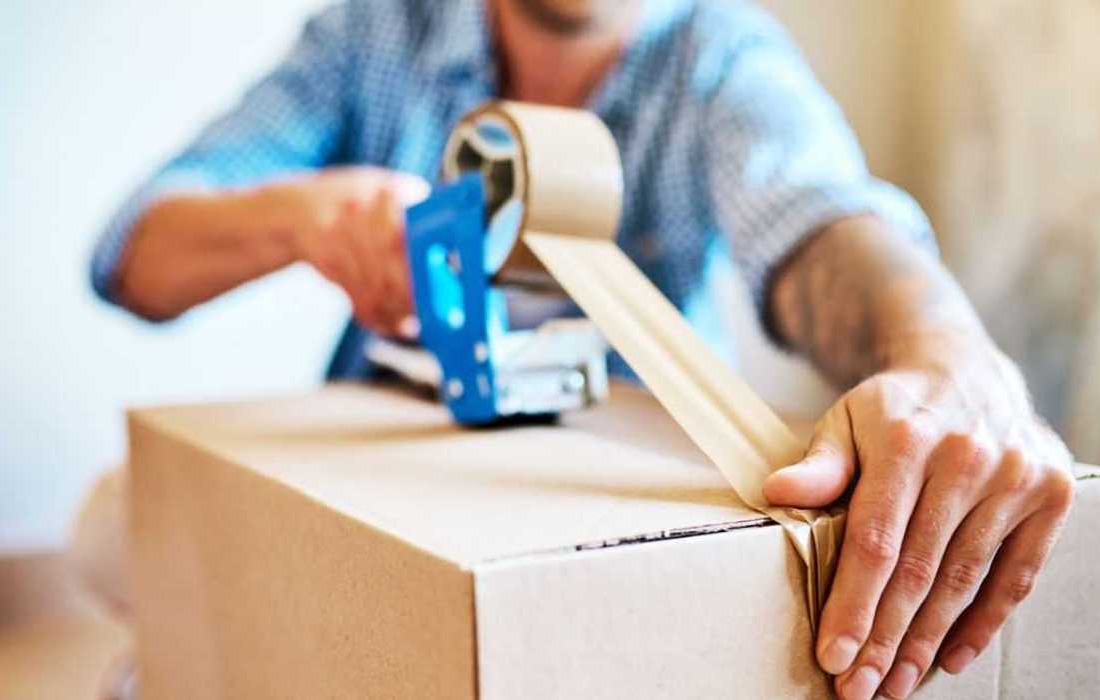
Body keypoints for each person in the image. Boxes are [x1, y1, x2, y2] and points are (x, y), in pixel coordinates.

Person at [75, 2, 1076, 699]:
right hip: (378, 458)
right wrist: (299, 215)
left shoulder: (717, 61)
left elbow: (821, 224)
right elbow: (132, 256)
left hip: (600, 497)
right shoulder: (380, 31)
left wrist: (941, 347)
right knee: (112, 528)